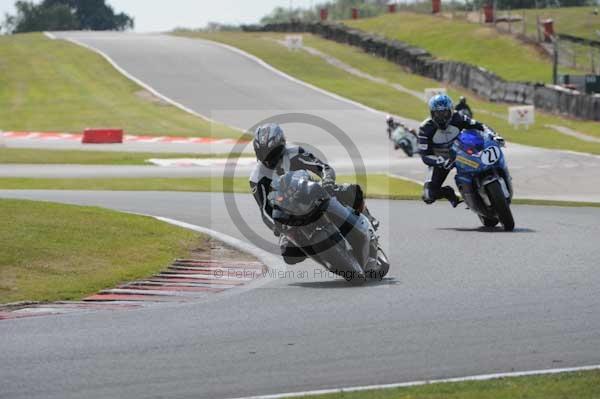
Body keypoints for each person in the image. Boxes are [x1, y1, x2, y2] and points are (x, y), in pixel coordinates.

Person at [249, 123, 377, 265]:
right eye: (263, 153)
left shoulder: (295, 152)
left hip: (311, 192)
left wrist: (327, 180)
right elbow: (265, 210)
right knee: (288, 254)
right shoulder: (256, 178)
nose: (268, 158)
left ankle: (368, 219)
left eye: (272, 152)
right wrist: (277, 227)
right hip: (288, 215)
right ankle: (321, 254)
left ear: (282, 144)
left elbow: (323, 168)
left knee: (348, 190)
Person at [418, 94, 504, 207]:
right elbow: (425, 156)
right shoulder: (425, 129)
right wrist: (440, 161)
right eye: (438, 113)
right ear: (432, 113)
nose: (442, 117)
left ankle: (490, 183)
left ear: (451, 111)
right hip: (442, 160)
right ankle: (448, 192)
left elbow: (480, 125)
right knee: (428, 195)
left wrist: (494, 135)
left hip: (463, 153)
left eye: (445, 112)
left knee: (485, 164)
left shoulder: (458, 117)